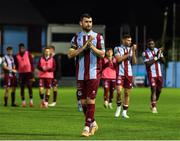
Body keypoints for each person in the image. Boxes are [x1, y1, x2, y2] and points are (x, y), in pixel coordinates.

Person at [67, 13, 105, 137]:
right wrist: (83, 47)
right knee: (83, 103)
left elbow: (103, 54)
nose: (88, 24)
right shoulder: (76, 38)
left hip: (94, 73)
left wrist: (91, 46)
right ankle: (93, 123)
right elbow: (70, 54)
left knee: (90, 100)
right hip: (80, 74)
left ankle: (86, 127)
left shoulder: (98, 37)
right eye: (86, 21)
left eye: (90, 21)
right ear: (81, 23)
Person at [114, 34, 137, 118]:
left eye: (130, 40)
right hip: (120, 73)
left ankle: (124, 112)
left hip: (129, 74)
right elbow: (118, 60)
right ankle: (118, 106)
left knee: (127, 93)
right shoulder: (117, 48)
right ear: (123, 40)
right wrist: (129, 53)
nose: (130, 42)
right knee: (119, 92)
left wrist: (133, 52)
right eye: (128, 40)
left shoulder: (131, 50)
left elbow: (134, 62)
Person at [142, 39, 165, 113]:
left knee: (159, 90)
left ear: (154, 44)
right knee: (153, 89)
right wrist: (156, 57)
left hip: (159, 74)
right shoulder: (145, 53)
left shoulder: (158, 51)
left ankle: (153, 102)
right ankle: (154, 107)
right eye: (150, 44)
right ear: (147, 45)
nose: (151, 45)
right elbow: (148, 64)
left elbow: (163, 61)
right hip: (151, 74)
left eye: (152, 44)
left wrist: (160, 54)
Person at [15, 43, 34, 107]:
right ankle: (23, 102)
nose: (21, 49)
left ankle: (31, 101)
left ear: (24, 48)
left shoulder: (28, 54)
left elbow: (31, 63)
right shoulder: (17, 55)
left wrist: (32, 73)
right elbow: (16, 65)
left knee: (29, 86)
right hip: (21, 73)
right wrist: (16, 70)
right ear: (19, 49)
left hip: (28, 72)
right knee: (22, 87)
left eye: (22, 48)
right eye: (20, 48)